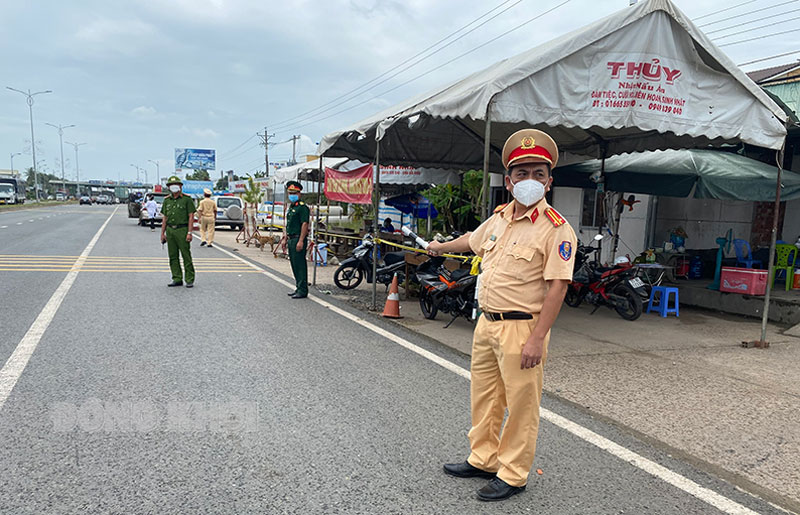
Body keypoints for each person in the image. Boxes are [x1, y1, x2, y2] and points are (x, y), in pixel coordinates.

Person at [427, 129, 577, 502]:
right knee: (486, 397)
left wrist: (538, 338)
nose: (530, 180)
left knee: (522, 405)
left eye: (538, 173)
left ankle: (513, 473)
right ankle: (483, 457)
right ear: (508, 181)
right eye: (522, 173)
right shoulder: (498, 220)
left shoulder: (557, 230)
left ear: (549, 180)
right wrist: (438, 247)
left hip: (523, 328)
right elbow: (470, 241)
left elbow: (558, 287)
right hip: (487, 324)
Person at [160, 176, 196, 288]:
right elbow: (165, 218)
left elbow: (191, 217)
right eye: (171, 185)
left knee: (186, 255)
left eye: (176, 184)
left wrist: (190, 232)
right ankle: (177, 278)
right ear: (168, 187)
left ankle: (189, 279)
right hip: (170, 230)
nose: (174, 186)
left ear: (180, 186)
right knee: (173, 256)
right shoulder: (167, 200)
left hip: (182, 230)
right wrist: (162, 233)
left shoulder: (187, 199)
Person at [280, 181, 310, 299]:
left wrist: (301, 241)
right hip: (291, 239)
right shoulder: (292, 207)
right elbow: (289, 225)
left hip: (298, 238)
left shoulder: (302, 208)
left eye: (294, 193)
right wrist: (285, 238)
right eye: (290, 193)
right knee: (294, 265)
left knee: (300, 265)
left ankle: (303, 290)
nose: (292, 195)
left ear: (299, 193)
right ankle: (298, 287)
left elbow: (304, 224)